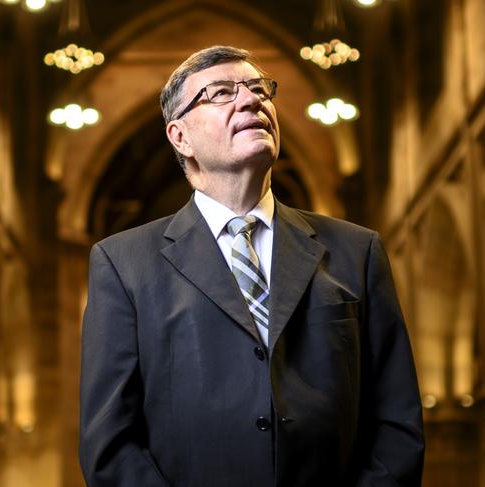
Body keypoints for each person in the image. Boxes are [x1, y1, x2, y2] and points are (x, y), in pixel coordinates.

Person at [79, 45, 424, 487]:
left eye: (259, 89)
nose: (250, 99)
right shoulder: (122, 263)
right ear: (180, 136)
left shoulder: (358, 251)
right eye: (221, 92)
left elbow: (397, 421)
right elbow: (109, 442)